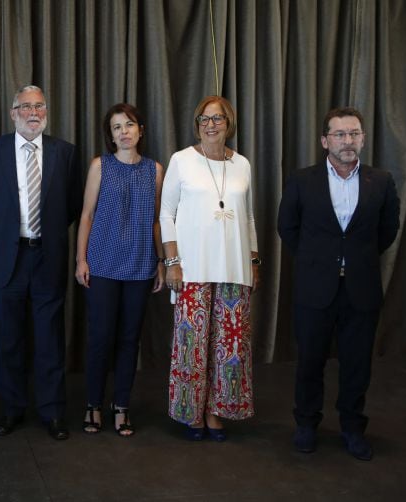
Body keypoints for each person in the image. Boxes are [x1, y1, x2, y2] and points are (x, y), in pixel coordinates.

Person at [277, 107, 400, 461]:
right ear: (324, 141)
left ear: (362, 138)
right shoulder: (302, 180)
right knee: (310, 361)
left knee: (357, 363)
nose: (348, 141)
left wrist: (355, 260)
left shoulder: (382, 180)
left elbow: (387, 230)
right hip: (315, 287)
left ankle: (352, 427)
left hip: (361, 289)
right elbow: (288, 227)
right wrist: (319, 260)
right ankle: (306, 424)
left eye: (354, 133)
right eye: (340, 134)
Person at [0, 85, 83, 440]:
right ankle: (12, 409)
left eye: (40, 107)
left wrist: (43, 232)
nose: (34, 113)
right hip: (8, 256)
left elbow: (72, 205)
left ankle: (52, 411)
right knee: (9, 338)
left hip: (47, 255)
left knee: (49, 337)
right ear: (13, 112)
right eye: (26, 107)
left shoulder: (65, 153)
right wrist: (7, 231)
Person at [160, 95, 259, 442]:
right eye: (205, 118)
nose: (211, 124)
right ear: (197, 123)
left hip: (235, 267)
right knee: (193, 343)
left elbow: (247, 217)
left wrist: (254, 260)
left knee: (230, 347)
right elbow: (166, 213)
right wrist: (172, 262)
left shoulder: (242, 165)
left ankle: (218, 412)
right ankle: (192, 413)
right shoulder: (181, 160)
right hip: (192, 268)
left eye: (218, 118)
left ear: (228, 123)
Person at [75, 103, 165, 436]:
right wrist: (80, 260)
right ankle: (93, 404)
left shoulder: (155, 169)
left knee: (130, 340)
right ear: (110, 136)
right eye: (116, 127)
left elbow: (156, 220)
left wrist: (160, 261)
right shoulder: (101, 166)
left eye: (129, 125)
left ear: (140, 129)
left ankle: (122, 405)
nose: (123, 131)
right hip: (101, 264)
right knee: (100, 337)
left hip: (140, 265)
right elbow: (86, 215)